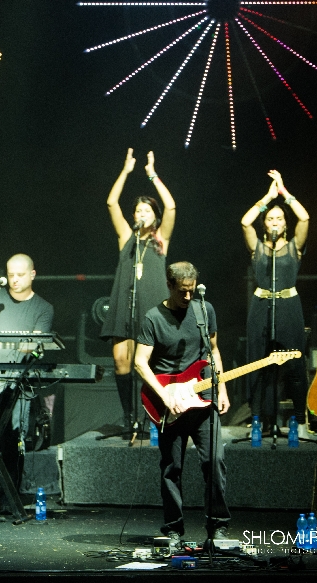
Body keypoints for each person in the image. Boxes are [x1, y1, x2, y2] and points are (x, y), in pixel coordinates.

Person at [133, 262, 230, 550]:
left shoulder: (204, 310)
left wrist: (222, 388)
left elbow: (213, 351)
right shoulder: (153, 318)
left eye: (191, 291)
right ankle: (174, 529)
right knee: (172, 467)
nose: (188, 297)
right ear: (169, 285)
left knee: (215, 461)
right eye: (182, 291)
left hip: (203, 398)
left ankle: (218, 527)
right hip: (169, 403)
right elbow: (140, 362)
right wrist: (165, 396)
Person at [100, 149, 176, 437]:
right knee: (121, 361)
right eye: (138, 211)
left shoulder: (160, 239)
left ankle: (151, 417)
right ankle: (129, 418)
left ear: (154, 216)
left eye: (147, 211)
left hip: (152, 308)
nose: (142, 214)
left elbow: (171, 206)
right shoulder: (126, 237)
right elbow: (111, 202)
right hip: (126, 306)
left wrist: (152, 175)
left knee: (150, 365)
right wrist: (126, 171)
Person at [0, 254, 54, 513]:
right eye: (11, 275)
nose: (14, 280)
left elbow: (34, 345)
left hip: (18, 382)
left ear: (32, 274)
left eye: (20, 275)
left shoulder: (44, 308)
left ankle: (10, 496)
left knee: (13, 438)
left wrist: (12, 343)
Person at [240, 170, 310, 431]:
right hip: (260, 307)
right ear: (265, 224)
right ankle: (259, 418)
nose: (275, 222)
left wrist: (284, 193)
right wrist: (267, 198)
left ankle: (298, 418)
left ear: (285, 224)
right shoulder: (257, 248)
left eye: (279, 218)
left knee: (294, 363)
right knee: (259, 363)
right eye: (270, 219)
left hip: (289, 307)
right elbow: (245, 222)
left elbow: (305, 217)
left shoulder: (294, 246)